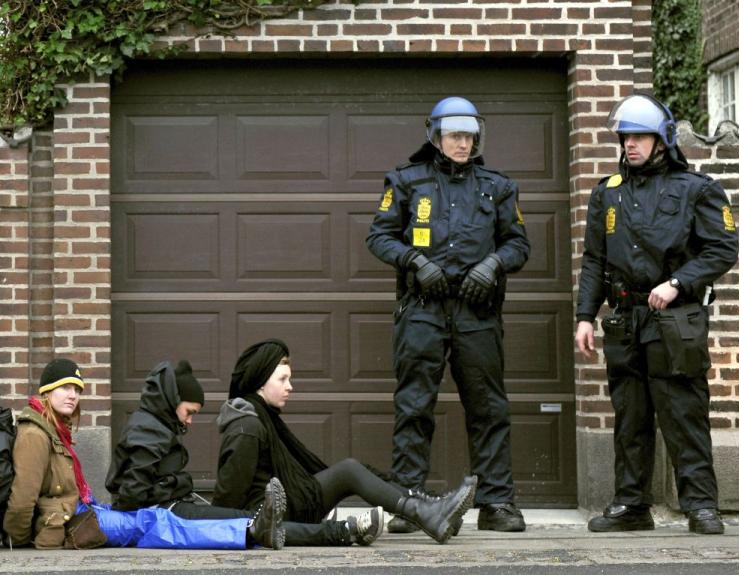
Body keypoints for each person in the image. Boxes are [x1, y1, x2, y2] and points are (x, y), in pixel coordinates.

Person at [575, 93, 739, 535]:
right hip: (625, 319)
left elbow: (724, 248)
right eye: (625, 136)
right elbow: (594, 260)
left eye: (640, 136)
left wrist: (679, 282)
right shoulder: (607, 193)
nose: (630, 144)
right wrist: (584, 316)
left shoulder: (697, 189)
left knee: (683, 412)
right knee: (630, 416)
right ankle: (631, 505)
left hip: (674, 319)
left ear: (662, 140)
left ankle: (701, 505)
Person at [366, 96, 530, 533]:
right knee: (414, 405)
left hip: (477, 313)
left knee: (488, 408)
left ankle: (497, 504)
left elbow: (519, 244)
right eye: (455, 135)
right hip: (423, 311)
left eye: (469, 135)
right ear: (436, 136)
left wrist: (493, 265)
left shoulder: (497, 186)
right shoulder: (405, 181)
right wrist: (415, 262)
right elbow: (378, 237)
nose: (463, 143)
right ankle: (408, 503)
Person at [213, 339, 477, 545]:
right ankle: (427, 513)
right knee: (348, 470)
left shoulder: (260, 416)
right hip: (272, 516)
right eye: (283, 379)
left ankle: (430, 510)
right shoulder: (247, 426)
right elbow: (229, 499)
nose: (290, 386)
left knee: (352, 469)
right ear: (260, 383)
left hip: (289, 504)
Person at [3, 358, 285, 550]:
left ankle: (249, 528)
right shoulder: (34, 435)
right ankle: (248, 532)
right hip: (65, 524)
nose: (73, 395)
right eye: (65, 388)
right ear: (47, 391)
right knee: (153, 522)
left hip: (81, 512)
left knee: (150, 517)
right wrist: (22, 542)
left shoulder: (53, 429)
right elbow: (22, 498)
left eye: (77, 389)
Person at [105, 358, 286, 549]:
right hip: (165, 512)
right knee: (246, 520)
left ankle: (303, 530)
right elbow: (134, 491)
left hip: (170, 507)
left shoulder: (152, 424)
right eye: (188, 412)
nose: (190, 421)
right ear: (172, 401)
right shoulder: (148, 429)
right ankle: (317, 533)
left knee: (244, 519)